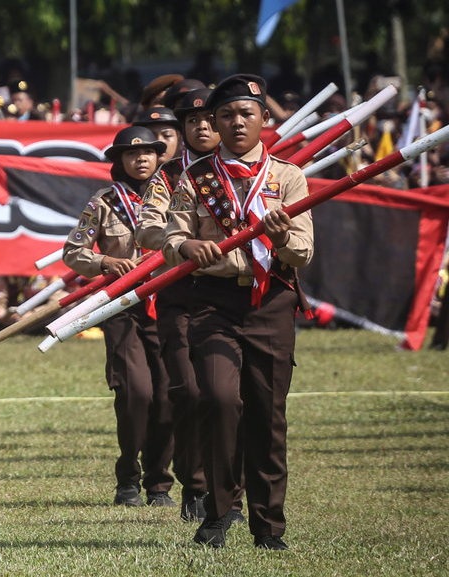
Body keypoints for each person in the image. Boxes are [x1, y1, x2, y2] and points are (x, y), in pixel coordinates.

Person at [162, 74, 314, 550]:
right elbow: (170, 237)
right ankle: (219, 508)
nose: (236, 122)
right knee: (218, 398)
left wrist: (282, 235)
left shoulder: (288, 177)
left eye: (246, 113)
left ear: (264, 118)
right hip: (213, 302)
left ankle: (268, 527)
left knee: (267, 415)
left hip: (271, 304)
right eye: (225, 115)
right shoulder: (195, 177)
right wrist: (187, 246)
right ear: (215, 122)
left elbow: (303, 251)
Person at [63, 126, 175, 508]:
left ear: (159, 157)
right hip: (122, 307)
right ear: (119, 161)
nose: (140, 159)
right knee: (135, 393)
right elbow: (72, 251)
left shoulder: (179, 195)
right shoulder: (104, 201)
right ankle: (128, 476)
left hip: (168, 304)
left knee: (167, 395)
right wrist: (105, 262)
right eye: (131, 153)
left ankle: (159, 483)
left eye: (148, 152)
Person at [137, 87, 220, 523]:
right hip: (181, 294)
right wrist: (183, 241)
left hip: (234, 293)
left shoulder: (249, 170)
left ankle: (227, 490)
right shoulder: (167, 176)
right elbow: (147, 229)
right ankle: (196, 485)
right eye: (191, 121)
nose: (201, 127)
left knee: (229, 397)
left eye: (209, 119)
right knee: (187, 390)